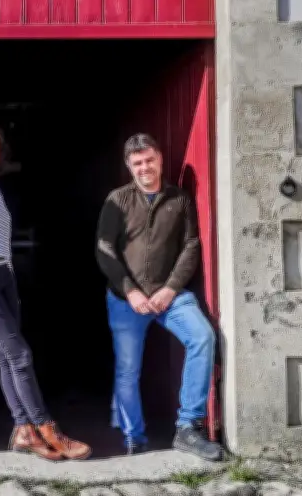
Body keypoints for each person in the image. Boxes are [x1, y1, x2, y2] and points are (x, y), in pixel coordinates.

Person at [0, 122, 91, 461]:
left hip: (1, 277)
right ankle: (48, 429)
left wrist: (9, 276)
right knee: (20, 355)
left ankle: (24, 432)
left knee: (6, 355)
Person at [94, 133, 223, 461]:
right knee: (127, 369)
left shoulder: (179, 200)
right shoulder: (117, 200)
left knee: (202, 337)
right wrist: (130, 290)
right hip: (126, 300)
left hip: (170, 295)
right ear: (129, 166)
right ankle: (134, 437)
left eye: (149, 160)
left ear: (160, 159)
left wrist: (169, 288)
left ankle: (188, 427)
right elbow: (104, 248)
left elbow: (191, 244)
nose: (144, 167)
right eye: (137, 163)